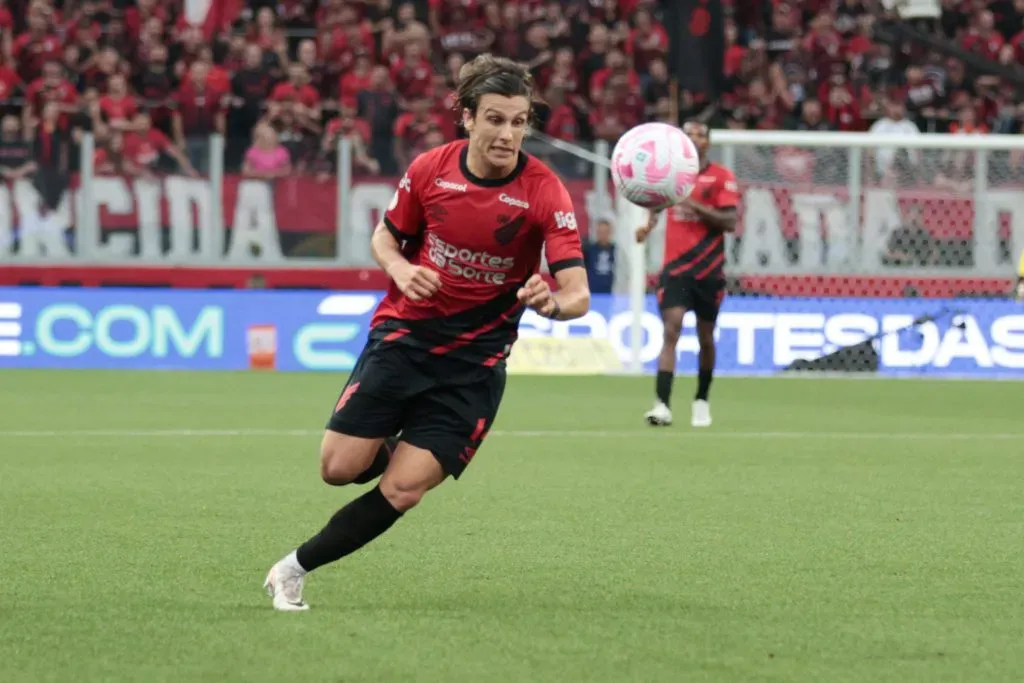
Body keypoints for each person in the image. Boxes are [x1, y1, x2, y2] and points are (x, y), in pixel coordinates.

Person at [264, 54, 591, 611]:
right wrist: (399, 269)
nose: (507, 134)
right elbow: (385, 238)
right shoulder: (431, 170)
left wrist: (551, 304)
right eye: (495, 119)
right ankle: (392, 443)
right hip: (405, 340)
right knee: (338, 469)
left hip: (474, 367)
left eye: (518, 122)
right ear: (467, 117)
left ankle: (292, 570)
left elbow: (577, 293)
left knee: (403, 489)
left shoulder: (544, 190)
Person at [635, 121, 738, 428]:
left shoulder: (721, 176)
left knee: (706, 337)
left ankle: (701, 400)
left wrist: (693, 205)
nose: (694, 138)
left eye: (700, 134)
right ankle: (662, 405)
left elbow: (729, 221)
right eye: (688, 134)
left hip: (709, 269)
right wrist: (647, 226)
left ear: (708, 142)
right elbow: (656, 204)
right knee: (671, 330)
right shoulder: (670, 174)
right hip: (676, 269)